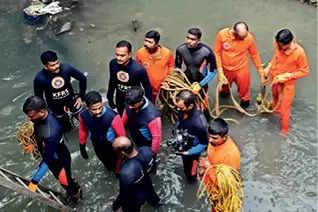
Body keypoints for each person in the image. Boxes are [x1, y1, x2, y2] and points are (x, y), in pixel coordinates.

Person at [22, 96, 81, 203]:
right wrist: (33, 144)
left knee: (65, 183)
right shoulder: (44, 112)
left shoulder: (51, 133)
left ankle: (77, 198)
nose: (29, 119)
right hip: (52, 152)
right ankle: (72, 185)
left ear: (42, 111)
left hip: (60, 159)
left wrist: (34, 182)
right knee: (64, 180)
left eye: (31, 116)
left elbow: (47, 160)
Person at [264, 29, 309, 134]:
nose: (281, 48)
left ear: (291, 42)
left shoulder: (299, 53)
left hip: (287, 84)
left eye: (283, 46)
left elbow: (305, 71)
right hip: (274, 79)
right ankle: (275, 112)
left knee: (285, 108)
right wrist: (268, 68)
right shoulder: (278, 44)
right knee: (275, 99)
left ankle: (284, 130)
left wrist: (289, 75)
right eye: (279, 45)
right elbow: (276, 57)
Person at [213, 21, 265, 108]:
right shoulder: (222, 35)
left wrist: (260, 70)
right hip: (226, 69)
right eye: (241, 37)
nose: (244, 38)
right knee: (224, 90)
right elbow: (216, 53)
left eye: (245, 36)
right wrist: (220, 72)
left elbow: (254, 54)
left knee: (245, 93)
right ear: (234, 32)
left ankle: (244, 109)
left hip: (242, 69)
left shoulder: (249, 38)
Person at [34, 50, 87, 132]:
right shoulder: (40, 78)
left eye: (57, 63)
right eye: (52, 65)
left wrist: (81, 97)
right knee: (66, 129)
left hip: (72, 101)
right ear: (45, 66)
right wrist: (46, 112)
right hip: (55, 107)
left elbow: (82, 78)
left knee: (86, 122)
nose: (56, 66)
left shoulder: (66, 68)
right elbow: (38, 98)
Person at [198, 118, 241, 212]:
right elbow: (210, 157)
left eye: (214, 138)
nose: (210, 140)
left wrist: (208, 167)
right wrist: (203, 170)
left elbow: (225, 184)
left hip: (222, 193)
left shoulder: (231, 155)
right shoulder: (214, 143)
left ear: (224, 137)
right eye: (209, 136)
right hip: (212, 188)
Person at [78, 91, 126, 174]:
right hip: (97, 144)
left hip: (112, 147)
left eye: (100, 107)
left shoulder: (113, 117)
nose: (97, 112)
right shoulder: (83, 115)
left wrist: (122, 153)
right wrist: (82, 147)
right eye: (94, 109)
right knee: (106, 164)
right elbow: (83, 130)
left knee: (118, 169)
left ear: (102, 103)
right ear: (88, 107)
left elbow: (122, 137)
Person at [112, 136, 160, 212]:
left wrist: (116, 206)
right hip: (148, 185)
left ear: (122, 153)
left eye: (115, 150)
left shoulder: (126, 172)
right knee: (154, 200)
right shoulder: (147, 150)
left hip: (137, 196)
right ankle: (156, 205)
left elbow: (124, 194)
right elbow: (153, 167)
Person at [107, 40, 152, 115]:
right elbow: (112, 81)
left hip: (134, 100)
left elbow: (147, 88)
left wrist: (148, 106)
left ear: (130, 54)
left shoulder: (138, 69)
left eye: (122, 55)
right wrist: (110, 97)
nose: (119, 58)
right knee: (122, 117)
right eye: (117, 54)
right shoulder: (113, 63)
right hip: (120, 98)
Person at [174, 90, 208, 182]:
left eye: (181, 108)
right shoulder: (183, 110)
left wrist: (189, 152)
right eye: (177, 107)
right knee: (186, 167)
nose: (178, 110)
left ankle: (193, 181)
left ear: (191, 106)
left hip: (193, 153)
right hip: (184, 143)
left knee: (191, 174)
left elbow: (204, 144)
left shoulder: (199, 124)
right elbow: (180, 120)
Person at [175, 28, 217, 96]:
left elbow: (213, 72)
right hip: (186, 81)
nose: (188, 41)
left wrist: (200, 85)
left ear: (198, 41)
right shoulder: (180, 49)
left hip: (201, 82)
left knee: (201, 104)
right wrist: (177, 78)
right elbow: (177, 67)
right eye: (187, 38)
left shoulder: (207, 52)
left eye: (192, 39)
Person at [136, 30, 174, 103]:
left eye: (150, 42)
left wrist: (169, 83)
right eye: (145, 41)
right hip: (147, 90)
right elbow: (138, 70)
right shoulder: (140, 53)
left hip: (163, 90)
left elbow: (171, 68)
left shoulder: (167, 53)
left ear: (156, 44)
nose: (146, 44)